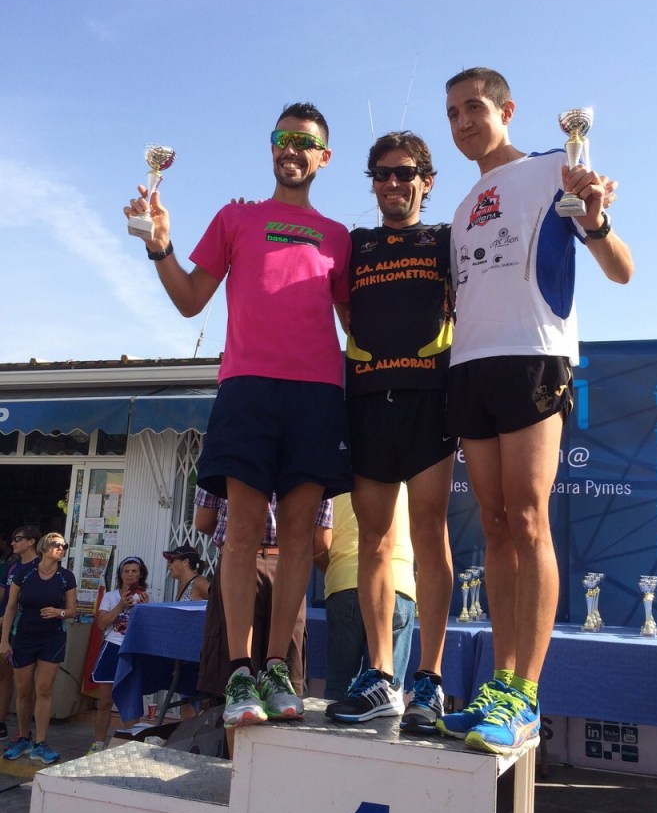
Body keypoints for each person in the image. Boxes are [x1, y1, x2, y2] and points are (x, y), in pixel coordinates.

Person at [124, 102, 352, 730]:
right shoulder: (236, 217)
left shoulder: (338, 236)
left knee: (299, 537)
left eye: (305, 143)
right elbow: (191, 301)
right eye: (283, 139)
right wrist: (160, 246)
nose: (293, 150)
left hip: (316, 393)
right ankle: (241, 673)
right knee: (243, 532)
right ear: (271, 147)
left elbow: (359, 326)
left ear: (323, 157)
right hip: (248, 387)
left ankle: (278, 666)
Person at [436, 67, 634, 756]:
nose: (462, 122)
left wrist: (598, 217)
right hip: (471, 367)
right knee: (492, 525)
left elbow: (621, 269)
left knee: (526, 517)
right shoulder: (461, 208)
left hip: (534, 357)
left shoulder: (558, 167)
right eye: (453, 112)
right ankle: (499, 684)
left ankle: (525, 694)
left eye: (474, 109)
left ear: (507, 109)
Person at [326, 132, 456, 734]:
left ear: (425, 180)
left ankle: (428, 679)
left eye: (405, 174)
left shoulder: (446, 240)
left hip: (430, 399)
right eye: (381, 175)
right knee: (375, 541)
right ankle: (381, 676)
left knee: (429, 533)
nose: (393, 185)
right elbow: (338, 306)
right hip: (369, 399)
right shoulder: (354, 245)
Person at [194, 488, 332, 698]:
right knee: (283, 681)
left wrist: (236, 538)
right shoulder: (314, 458)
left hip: (237, 563)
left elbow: (203, 521)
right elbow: (322, 541)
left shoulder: (233, 455)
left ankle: (235, 713)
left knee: (231, 676)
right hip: (288, 566)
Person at [322, 489, 415, 701]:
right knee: (388, 690)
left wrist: (341, 572)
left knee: (339, 690)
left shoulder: (334, 483)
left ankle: (330, 734)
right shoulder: (406, 482)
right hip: (398, 584)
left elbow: (320, 541)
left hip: (345, 581)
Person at [0, 532, 77, 764]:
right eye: (56, 545)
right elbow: (11, 607)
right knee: (24, 691)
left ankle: (41, 742)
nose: (61, 548)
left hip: (52, 639)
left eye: (64, 545)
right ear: (44, 548)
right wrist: (4, 641)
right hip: (23, 637)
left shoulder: (66, 577)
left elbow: (73, 610)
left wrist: (59, 612)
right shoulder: (25, 573)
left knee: (44, 689)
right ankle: (23, 736)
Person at [87, 556, 150, 754]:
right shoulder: (110, 596)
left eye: (134, 571)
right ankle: (98, 743)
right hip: (113, 647)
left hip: (132, 650)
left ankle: (132, 745)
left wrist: (144, 607)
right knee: (105, 701)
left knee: (130, 699)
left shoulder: (146, 597)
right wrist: (121, 605)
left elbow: (148, 628)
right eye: (126, 571)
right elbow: (102, 623)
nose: (130, 575)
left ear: (141, 574)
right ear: (120, 575)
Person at [0, 526, 40, 741]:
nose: (13, 543)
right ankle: (2, 721)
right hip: (5, 626)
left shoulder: (40, 566)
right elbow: (4, 597)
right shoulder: (12, 567)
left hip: (26, 630)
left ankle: (24, 729)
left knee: (24, 682)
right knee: (4, 675)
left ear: (31, 541)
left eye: (18, 539)